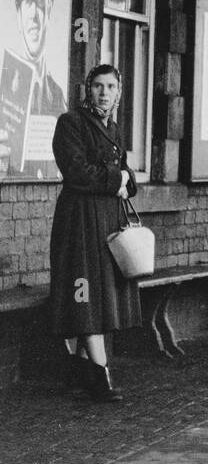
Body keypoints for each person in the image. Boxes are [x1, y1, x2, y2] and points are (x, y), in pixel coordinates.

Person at [49, 64, 141, 402]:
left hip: (108, 221)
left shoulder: (114, 129)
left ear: (119, 92)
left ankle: (79, 372)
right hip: (79, 222)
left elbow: (126, 172)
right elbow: (75, 172)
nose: (104, 93)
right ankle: (100, 377)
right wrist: (116, 179)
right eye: (98, 86)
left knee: (101, 293)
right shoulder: (71, 123)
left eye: (111, 87)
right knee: (85, 292)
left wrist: (125, 180)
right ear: (88, 89)